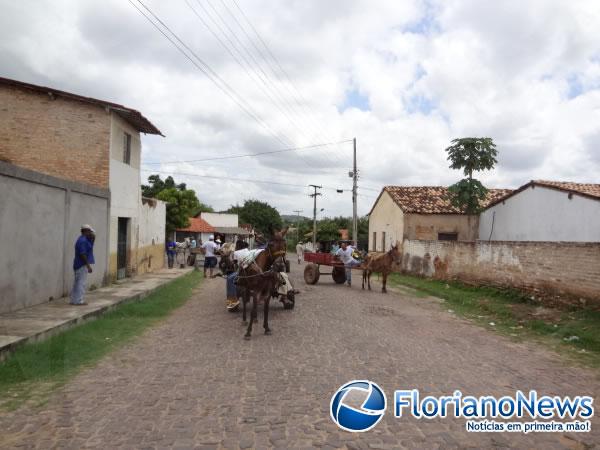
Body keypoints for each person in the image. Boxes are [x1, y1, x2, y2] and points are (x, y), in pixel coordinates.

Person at [70, 225, 95, 305]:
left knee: (77, 283)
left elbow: (90, 247)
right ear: (85, 231)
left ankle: (74, 300)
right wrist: (88, 266)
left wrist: (93, 238)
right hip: (81, 264)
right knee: (81, 283)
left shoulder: (83, 239)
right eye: (89, 231)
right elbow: (82, 254)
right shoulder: (83, 241)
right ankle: (79, 301)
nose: (90, 233)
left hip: (79, 264)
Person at [225, 240, 250, 311]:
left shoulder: (236, 252)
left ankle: (233, 299)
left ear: (238, 246)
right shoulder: (247, 250)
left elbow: (234, 263)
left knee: (229, 278)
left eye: (236, 246)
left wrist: (230, 260)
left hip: (242, 272)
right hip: (249, 271)